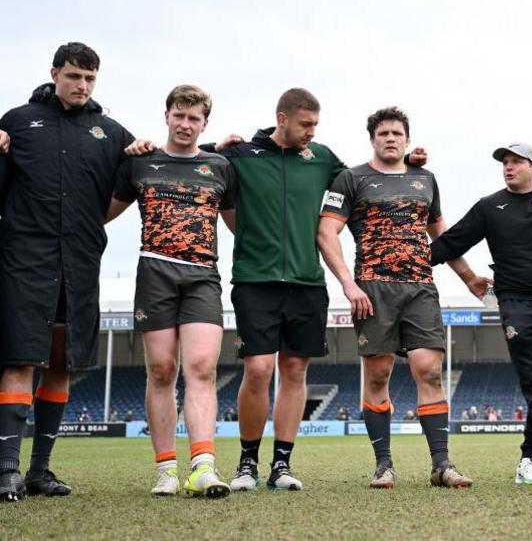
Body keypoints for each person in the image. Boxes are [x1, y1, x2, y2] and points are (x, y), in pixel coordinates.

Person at [127, 89, 427, 492]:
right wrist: (149, 145)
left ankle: (281, 464)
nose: (312, 132)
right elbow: (194, 155)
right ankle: (247, 462)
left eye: (315, 125)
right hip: (254, 279)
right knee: (258, 369)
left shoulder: (322, 158)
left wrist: (408, 163)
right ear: (282, 119)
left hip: (307, 281)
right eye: (305, 124)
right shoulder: (241, 156)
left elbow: (368, 175)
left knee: (295, 370)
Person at [318, 106, 481, 489]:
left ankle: (442, 464)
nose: (390, 138)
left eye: (396, 133)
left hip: (420, 286)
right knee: (378, 375)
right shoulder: (350, 179)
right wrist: (348, 284)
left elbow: (442, 235)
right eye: (383, 134)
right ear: (372, 139)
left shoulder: (425, 178)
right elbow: (327, 234)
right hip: (372, 289)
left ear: (407, 138)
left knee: (428, 370)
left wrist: (470, 276)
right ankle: (383, 465)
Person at [0, 43, 135, 501]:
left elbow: (148, 174)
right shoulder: (16, 122)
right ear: (55, 72)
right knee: (20, 359)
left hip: (79, 262)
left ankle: (40, 471)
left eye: (90, 78)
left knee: (60, 360)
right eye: (75, 76)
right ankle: (5, 470)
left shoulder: (111, 132)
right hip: (23, 259)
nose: (82, 85)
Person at [429, 141, 532, 486]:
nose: (508, 166)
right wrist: (407, 260)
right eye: (505, 161)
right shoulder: (490, 207)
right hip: (517, 306)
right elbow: (449, 243)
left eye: (517, 161)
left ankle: (526, 461)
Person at [107, 85, 234, 498]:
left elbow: (240, 225)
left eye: (194, 118)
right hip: (154, 273)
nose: (185, 124)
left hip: (202, 276)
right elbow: (100, 213)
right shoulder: (140, 163)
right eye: (179, 115)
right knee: (162, 371)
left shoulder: (219, 166)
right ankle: (166, 469)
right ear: (166, 116)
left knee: (201, 367)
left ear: (204, 124)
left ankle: (203, 467)